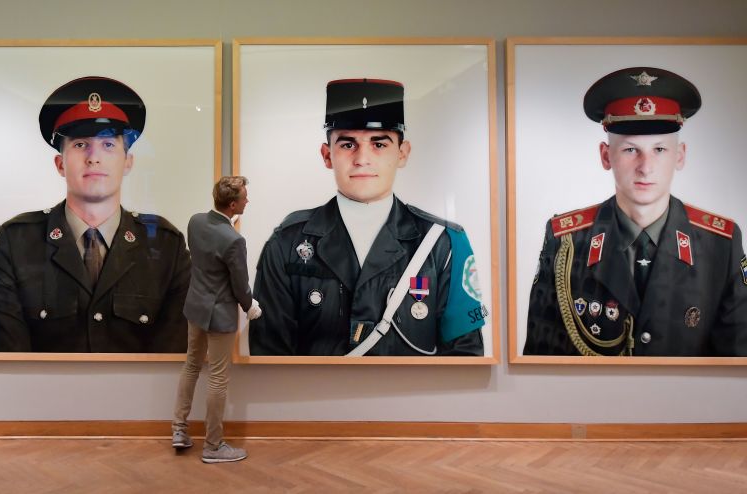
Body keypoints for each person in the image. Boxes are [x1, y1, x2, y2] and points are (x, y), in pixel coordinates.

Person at [249, 78, 487, 357]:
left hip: (414, 401)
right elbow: (269, 361)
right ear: (327, 155)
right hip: (314, 401)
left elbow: (465, 358)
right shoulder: (287, 243)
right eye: (348, 145)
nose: (362, 158)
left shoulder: (444, 243)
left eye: (379, 144)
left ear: (402, 153)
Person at [525, 67, 747, 356]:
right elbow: (540, 363)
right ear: (606, 156)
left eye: (659, 150)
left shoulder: (720, 243)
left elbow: (739, 367)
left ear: (679, 156)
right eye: (630, 150)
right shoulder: (566, 240)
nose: (645, 167)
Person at [0, 76, 191, 353]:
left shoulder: (166, 246)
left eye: (108, 145)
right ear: (60, 164)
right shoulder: (15, 244)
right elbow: (3, 364)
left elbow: (174, 361)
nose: (94, 157)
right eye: (80, 144)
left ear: (128, 162)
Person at [172, 176, 260, 463]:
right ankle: (213, 446)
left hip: (195, 307)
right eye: (245, 197)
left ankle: (179, 430)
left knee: (191, 365)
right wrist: (250, 306)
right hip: (219, 314)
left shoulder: (195, 222)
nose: (248, 200)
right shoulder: (234, 240)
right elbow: (240, 284)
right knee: (218, 380)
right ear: (233, 204)